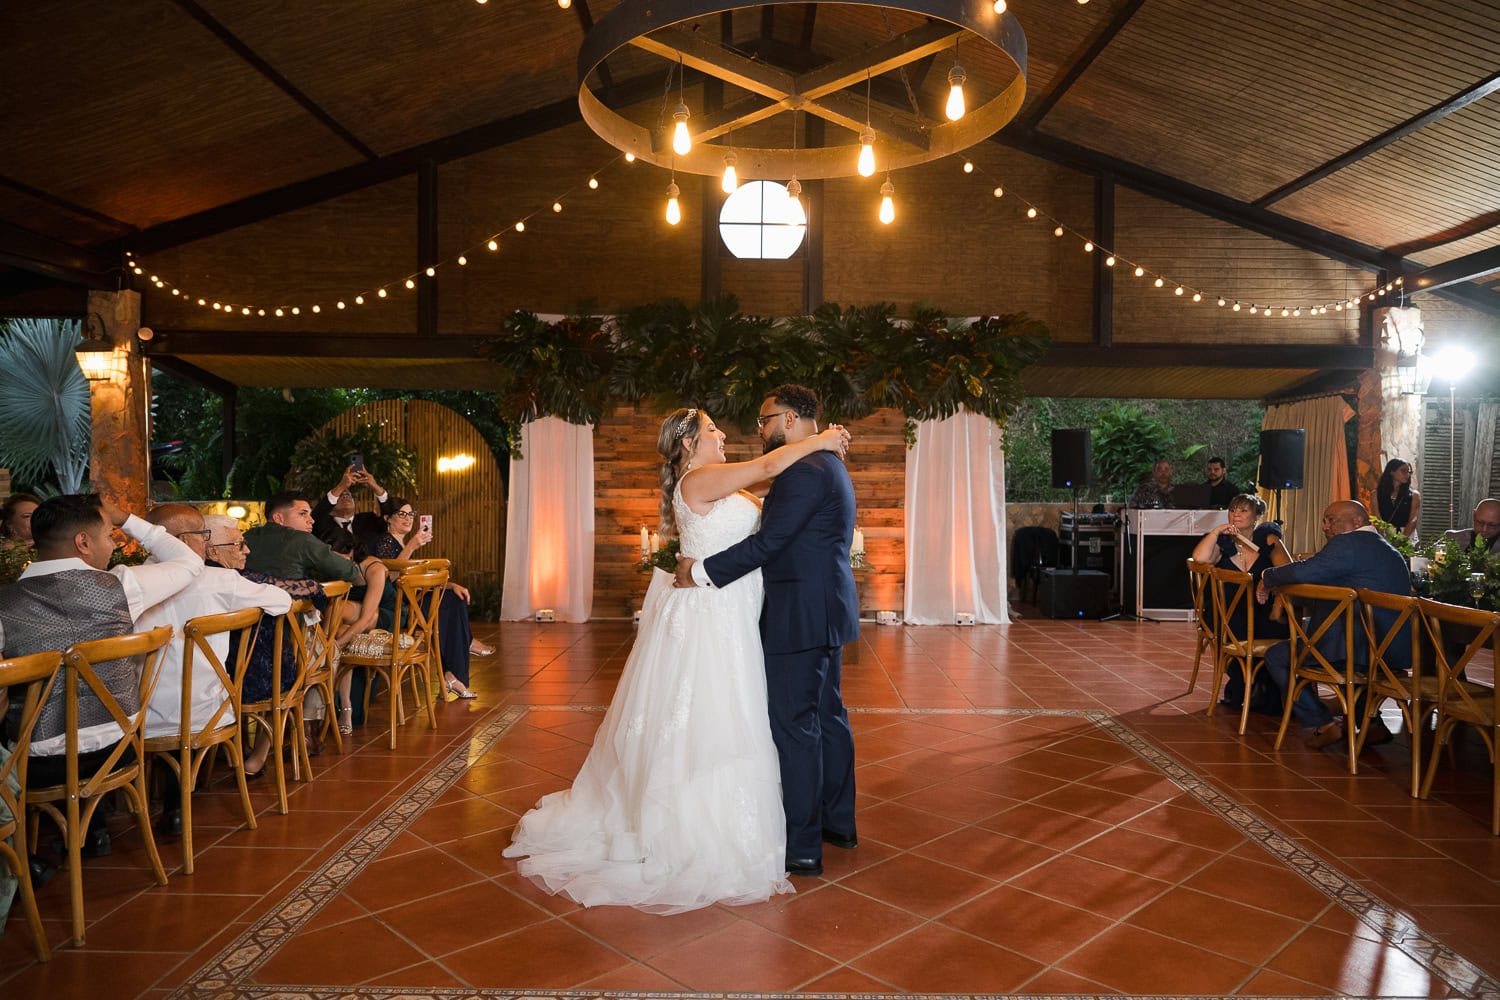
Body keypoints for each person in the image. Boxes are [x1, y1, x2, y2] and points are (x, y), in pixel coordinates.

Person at [504, 402, 849, 911]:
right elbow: (769, 468)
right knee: (709, 714)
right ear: (690, 443)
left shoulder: (714, 478)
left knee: (739, 715)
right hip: (711, 617)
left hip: (733, 615)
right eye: (713, 429)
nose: (724, 435)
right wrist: (821, 439)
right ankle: (691, 826)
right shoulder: (699, 480)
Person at [674, 385, 860, 879]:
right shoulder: (826, 464)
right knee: (828, 715)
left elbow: (769, 544)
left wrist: (699, 572)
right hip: (826, 608)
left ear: (793, 420)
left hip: (798, 614)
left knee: (795, 726)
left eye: (765, 419)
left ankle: (802, 848)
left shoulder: (803, 470)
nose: (758, 430)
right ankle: (837, 823)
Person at [0, 493, 203, 857]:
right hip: (120, 744)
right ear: (83, 542)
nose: (113, 544)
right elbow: (189, 561)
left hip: (40, 763)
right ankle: (88, 832)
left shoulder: (5, 605)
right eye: (110, 534)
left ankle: (22, 862)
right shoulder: (123, 586)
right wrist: (127, 517)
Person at [135, 505, 292, 836]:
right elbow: (282, 601)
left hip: (138, 720)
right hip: (211, 711)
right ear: (186, 540)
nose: (206, 545)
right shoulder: (220, 580)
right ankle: (178, 803)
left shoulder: (126, 581)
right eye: (203, 537)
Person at [1257, 500, 1411, 749]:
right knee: (1348, 639)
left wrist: (1267, 577)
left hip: (1359, 651)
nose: (1325, 527)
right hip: (1392, 651)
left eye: (1332, 520)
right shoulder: (1386, 549)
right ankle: (1371, 724)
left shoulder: (1348, 543)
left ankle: (1323, 723)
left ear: (1357, 522)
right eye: (1324, 521)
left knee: (1276, 656)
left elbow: (1302, 572)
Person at [369, 497, 489, 688]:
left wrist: (450, 585)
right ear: (388, 518)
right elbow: (389, 577)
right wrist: (412, 546)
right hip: (400, 607)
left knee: (455, 597)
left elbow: (418, 577)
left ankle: (454, 675)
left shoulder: (400, 544)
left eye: (410, 514)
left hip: (412, 599)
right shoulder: (385, 541)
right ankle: (459, 664)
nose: (408, 518)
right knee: (449, 605)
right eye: (402, 514)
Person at [1191, 493, 1290, 711]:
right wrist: (1217, 531)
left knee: (1285, 628)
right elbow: (1199, 558)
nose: (1236, 514)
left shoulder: (1267, 537)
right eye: (1233, 509)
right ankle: (1247, 684)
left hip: (1260, 610)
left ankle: (1264, 688)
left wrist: (1276, 601)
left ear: (1256, 517)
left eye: (1243, 510)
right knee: (1237, 627)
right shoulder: (1224, 541)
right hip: (1224, 612)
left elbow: (1286, 569)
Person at [243, 493, 360, 585]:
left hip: (246, 613)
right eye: (303, 514)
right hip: (289, 612)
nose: (311, 520)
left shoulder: (246, 537)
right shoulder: (301, 539)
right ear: (279, 518)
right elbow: (348, 571)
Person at [312, 465, 389, 549]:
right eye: (340, 495)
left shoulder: (368, 520)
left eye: (348, 494)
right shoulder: (323, 524)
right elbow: (318, 514)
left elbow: (390, 515)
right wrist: (341, 486)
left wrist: (375, 487)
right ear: (330, 507)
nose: (345, 496)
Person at [1376, 458, 1420, 539]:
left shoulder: (1414, 495)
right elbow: (1377, 518)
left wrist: (1402, 539)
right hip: (1385, 534)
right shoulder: (1376, 494)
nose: (1407, 474)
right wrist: (1383, 537)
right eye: (1403, 471)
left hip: (1407, 534)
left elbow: (1413, 520)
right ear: (1392, 472)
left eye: (1408, 471)